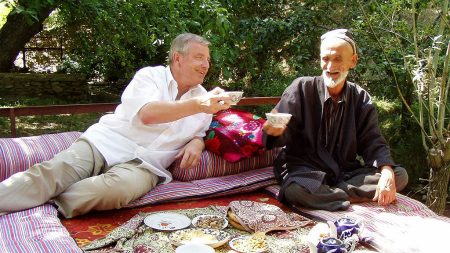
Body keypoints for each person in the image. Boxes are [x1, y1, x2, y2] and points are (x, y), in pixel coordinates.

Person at [0, 33, 231, 218]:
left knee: (112, 192)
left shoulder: (203, 99)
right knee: (52, 172)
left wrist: (197, 141)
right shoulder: (150, 77)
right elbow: (148, 114)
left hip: (147, 165)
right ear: (177, 58)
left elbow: (200, 131)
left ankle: (51, 203)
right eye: (199, 57)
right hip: (106, 142)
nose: (206, 64)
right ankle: (25, 195)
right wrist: (200, 104)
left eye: (208, 59)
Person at [263, 29, 408, 211]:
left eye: (338, 59)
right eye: (325, 59)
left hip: (344, 172)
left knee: (399, 175)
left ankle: (330, 195)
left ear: (353, 61)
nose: (330, 66)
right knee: (295, 190)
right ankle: (345, 196)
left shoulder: (360, 97)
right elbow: (278, 132)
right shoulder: (301, 88)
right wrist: (273, 130)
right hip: (305, 170)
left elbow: (373, 141)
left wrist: (386, 171)